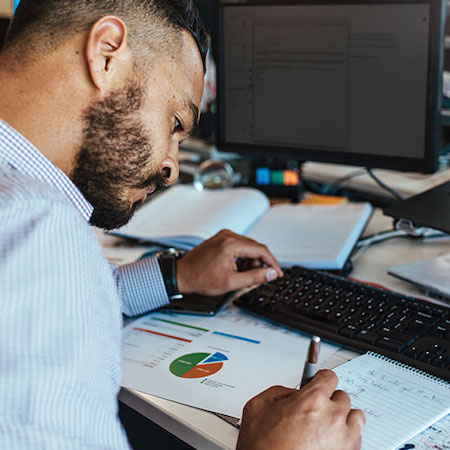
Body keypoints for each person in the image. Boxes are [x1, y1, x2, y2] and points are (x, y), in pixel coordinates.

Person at [0, 1, 365, 449]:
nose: (171, 167)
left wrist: (173, 275)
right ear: (107, 53)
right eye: (175, 123)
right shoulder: (37, 233)